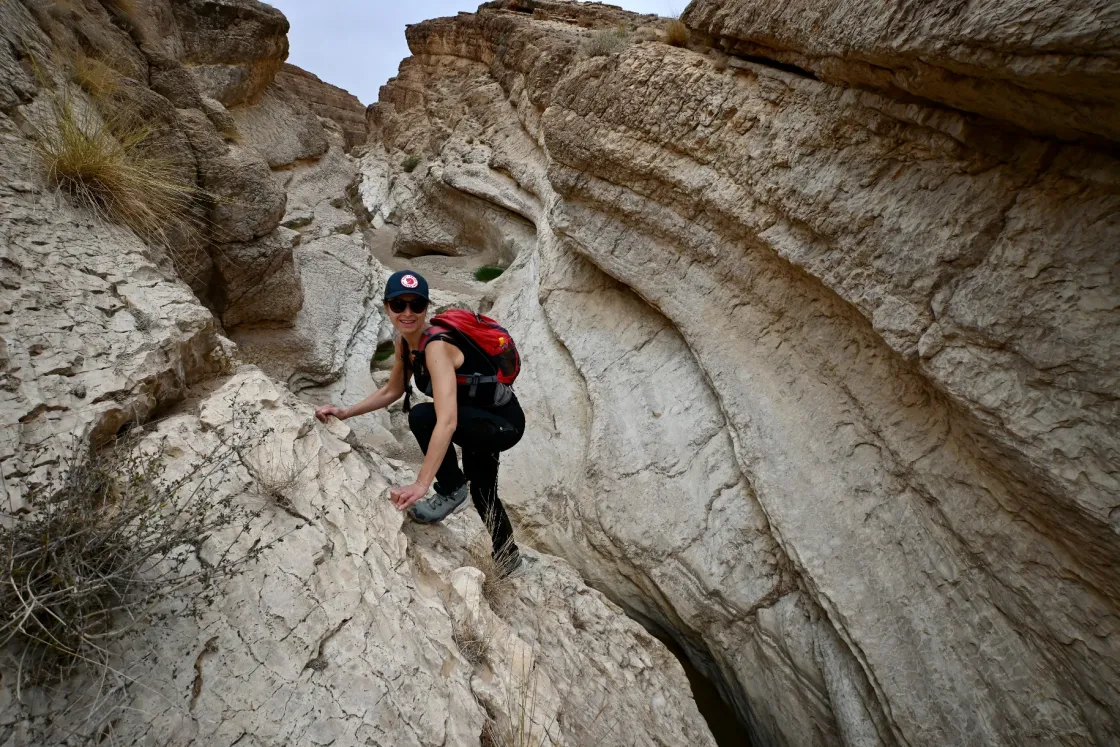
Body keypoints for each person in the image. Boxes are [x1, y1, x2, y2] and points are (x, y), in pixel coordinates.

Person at [314, 270, 527, 574]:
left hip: (502, 423)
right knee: (482, 488)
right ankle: (509, 558)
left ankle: (452, 490)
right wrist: (345, 412)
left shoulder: (436, 346)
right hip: (479, 417)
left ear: (427, 307)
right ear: (387, 306)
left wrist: (422, 483)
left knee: (424, 417)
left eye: (416, 304)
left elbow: (448, 421)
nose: (408, 312)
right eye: (398, 304)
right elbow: (393, 390)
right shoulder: (406, 343)